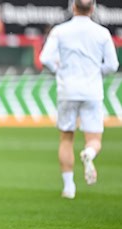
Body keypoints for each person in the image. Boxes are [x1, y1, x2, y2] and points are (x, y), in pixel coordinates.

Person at [39, 0, 119, 199]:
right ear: (92, 8)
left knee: (66, 138)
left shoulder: (60, 31)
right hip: (92, 90)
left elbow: (45, 58)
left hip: (67, 90)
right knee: (94, 140)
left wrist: (59, 71)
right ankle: (89, 154)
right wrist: (95, 72)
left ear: (73, 7)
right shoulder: (102, 33)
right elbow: (112, 65)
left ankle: (69, 187)